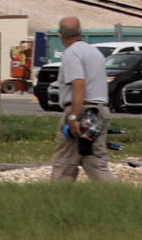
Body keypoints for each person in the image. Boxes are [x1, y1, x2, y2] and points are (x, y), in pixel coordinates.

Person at [48, 17, 116, 184]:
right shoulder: (94, 52)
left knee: (64, 163)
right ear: (80, 33)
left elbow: (79, 84)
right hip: (99, 111)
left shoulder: (72, 53)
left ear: (60, 35)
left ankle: (55, 202)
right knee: (95, 162)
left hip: (81, 111)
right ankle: (117, 197)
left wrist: (73, 117)